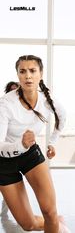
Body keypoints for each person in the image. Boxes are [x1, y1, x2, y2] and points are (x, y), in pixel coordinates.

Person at [0, 55, 69, 232]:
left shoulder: (48, 100)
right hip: (4, 162)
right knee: (28, 224)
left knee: (50, 212)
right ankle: (60, 227)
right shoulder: (6, 103)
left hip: (30, 154)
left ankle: (56, 224)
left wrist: (52, 142)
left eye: (32, 71)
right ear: (18, 75)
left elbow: (62, 119)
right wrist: (21, 145)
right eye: (22, 71)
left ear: (41, 74)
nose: (28, 76)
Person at [0, 81, 19, 218]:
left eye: (16, 89)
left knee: (12, 181)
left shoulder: (22, 109)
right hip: (2, 149)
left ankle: (7, 208)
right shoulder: (3, 106)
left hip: (17, 151)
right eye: (11, 90)